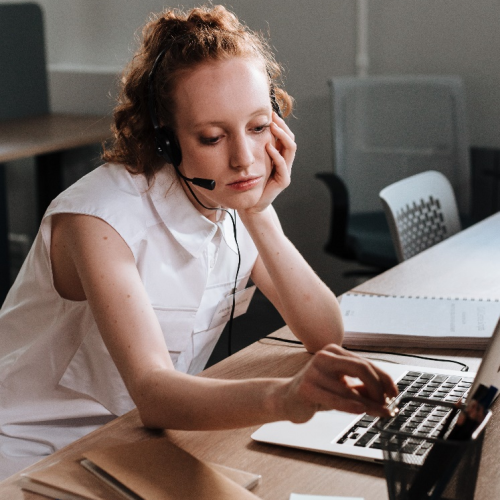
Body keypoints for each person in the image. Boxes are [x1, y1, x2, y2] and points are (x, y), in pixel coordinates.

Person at [0, 4, 397, 479]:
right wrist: (285, 397)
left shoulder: (230, 202)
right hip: (28, 455)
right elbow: (153, 392)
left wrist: (258, 213)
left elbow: (323, 332)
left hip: (132, 441)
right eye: (212, 137)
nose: (245, 159)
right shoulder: (99, 219)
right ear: (166, 140)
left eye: (257, 126)